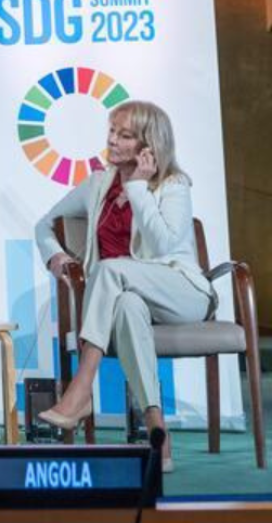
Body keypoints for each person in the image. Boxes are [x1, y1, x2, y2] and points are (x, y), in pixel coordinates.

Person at [35, 101, 213, 473]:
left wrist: (137, 188)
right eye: (111, 131)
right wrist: (55, 256)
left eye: (125, 135)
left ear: (148, 145)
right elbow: (44, 224)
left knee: (113, 270)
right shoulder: (98, 184)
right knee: (129, 304)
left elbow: (164, 246)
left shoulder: (173, 185)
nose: (112, 140)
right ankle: (156, 430)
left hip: (182, 293)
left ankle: (82, 389)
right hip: (130, 298)